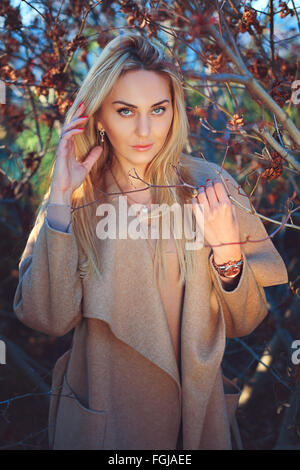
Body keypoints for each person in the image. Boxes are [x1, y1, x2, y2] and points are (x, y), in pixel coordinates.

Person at [13, 31, 288, 450]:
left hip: (195, 422)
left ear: (174, 111)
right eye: (125, 111)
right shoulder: (75, 196)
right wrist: (59, 203)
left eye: (158, 109)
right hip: (107, 424)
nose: (145, 129)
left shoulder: (212, 187)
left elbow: (245, 321)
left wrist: (228, 251)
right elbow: (46, 319)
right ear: (99, 116)